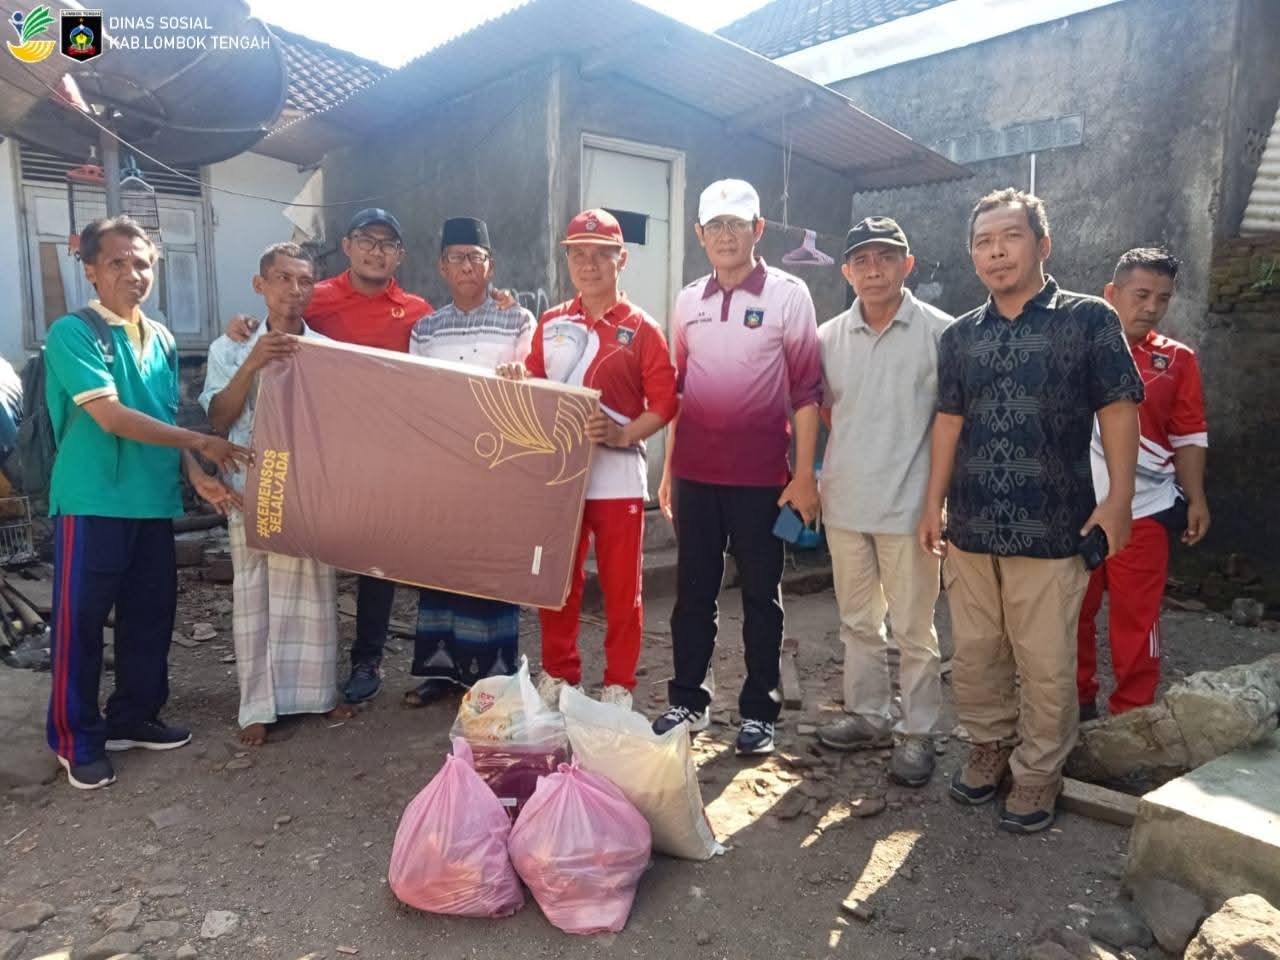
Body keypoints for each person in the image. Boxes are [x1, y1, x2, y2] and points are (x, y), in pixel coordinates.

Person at [918, 188, 1143, 833]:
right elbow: (949, 421)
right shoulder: (960, 335)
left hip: (1052, 525)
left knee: (1045, 661)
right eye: (984, 242)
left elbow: (1119, 407)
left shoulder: (1088, 320)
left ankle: (1040, 770)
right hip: (972, 525)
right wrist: (933, 503)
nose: (996, 252)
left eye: (1010, 237)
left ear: (1042, 245)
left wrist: (1119, 499)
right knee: (977, 653)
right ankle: (989, 746)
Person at [45, 216, 247, 790]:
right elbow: (110, 416)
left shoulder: (159, 337)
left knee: (149, 618)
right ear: (90, 269)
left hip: (152, 502)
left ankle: (133, 717)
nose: (133, 273)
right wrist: (201, 443)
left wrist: (195, 474)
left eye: (142, 263)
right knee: (80, 625)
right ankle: (75, 739)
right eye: (117, 262)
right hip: (93, 501)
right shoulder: (73, 332)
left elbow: (162, 416)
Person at [228, 209, 432, 704]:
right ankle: (294, 671)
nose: (376, 251)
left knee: (377, 558)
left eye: (387, 244)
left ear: (400, 255)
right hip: (314, 448)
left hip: (382, 451)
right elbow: (276, 320)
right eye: (366, 240)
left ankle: (367, 658)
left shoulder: (416, 310)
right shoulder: (314, 296)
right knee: (307, 559)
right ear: (347, 246)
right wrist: (242, 325)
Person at [652, 179, 823, 757]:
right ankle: (688, 700)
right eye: (715, 226)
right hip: (695, 475)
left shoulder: (788, 295)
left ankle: (759, 710)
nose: (726, 236)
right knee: (692, 593)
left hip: (761, 478)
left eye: (737, 224)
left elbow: (806, 391)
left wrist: (803, 475)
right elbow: (678, 391)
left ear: (758, 229)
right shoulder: (687, 301)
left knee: (760, 597)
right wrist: (669, 470)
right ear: (700, 234)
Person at [499, 208, 678, 711]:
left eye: (601, 254)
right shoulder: (553, 322)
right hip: (561, 478)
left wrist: (623, 435)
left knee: (622, 589)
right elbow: (536, 387)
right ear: (569, 260)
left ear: (621, 259)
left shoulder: (642, 328)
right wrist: (519, 378)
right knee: (557, 581)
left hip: (617, 479)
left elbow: (665, 402)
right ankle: (560, 673)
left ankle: (619, 683)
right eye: (579, 254)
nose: (589, 264)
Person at [814, 217, 952, 786]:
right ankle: (869, 714)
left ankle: (918, 732)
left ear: (907, 264)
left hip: (912, 509)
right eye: (862, 261)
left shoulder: (942, 333)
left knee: (914, 629)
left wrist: (936, 503)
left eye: (886, 257)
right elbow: (827, 411)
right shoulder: (827, 338)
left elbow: (952, 422)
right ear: (847, 273)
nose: (874, 270)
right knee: (857, 622)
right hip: (845, 501)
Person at [202, 243, 357, 745]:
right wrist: (252, 363)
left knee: (314, 591)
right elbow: (218, 420)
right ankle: (257, 706)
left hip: (306, 491)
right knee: (254, 595)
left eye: (304, 280)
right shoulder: (229, 348)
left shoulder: (324, 351)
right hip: (252, 488)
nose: (294, 289)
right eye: (283, 278)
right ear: (260, 284)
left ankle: (318, 694)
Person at [403, 217, 536, 707]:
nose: (466, 266)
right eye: (456, 257)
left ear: (490, 265)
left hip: (498, 463)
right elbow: (418, 396)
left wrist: (521, 375)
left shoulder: (518, 321)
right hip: (444, 465)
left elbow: (534, 384)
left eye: (474, 257)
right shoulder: (426, 329)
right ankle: (441, 673)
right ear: (442, 266)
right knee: (442, 567)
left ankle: (493, 678)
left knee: (489, 567)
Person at [1077, 248, 1209, 719]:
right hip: (1076, 511)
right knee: (1072, 613)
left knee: (1137, 618)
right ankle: (1077, 703)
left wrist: (1197, 498)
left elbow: (1189, 434)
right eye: (1141, 295)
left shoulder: (1177, 360)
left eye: (1163, 298)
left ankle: (1132, 716)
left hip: (1146, 511)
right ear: (1111, 293)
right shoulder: (1072, 349)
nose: (1151, 307)